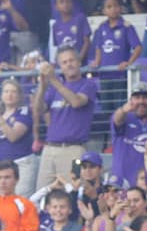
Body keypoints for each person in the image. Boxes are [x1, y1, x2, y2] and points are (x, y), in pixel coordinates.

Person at [34, 49, 99, 187]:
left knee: (73, 190)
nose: (68, 65)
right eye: (64, 62)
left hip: (75, 150)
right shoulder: (53, 88)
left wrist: (53, 79)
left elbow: (76, 102)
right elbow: (39, 110)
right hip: (50, 149)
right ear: (60, 66)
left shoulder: (88, 84)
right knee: (42, 192)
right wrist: (42, 87)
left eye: (71, 60)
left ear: (79, 62)